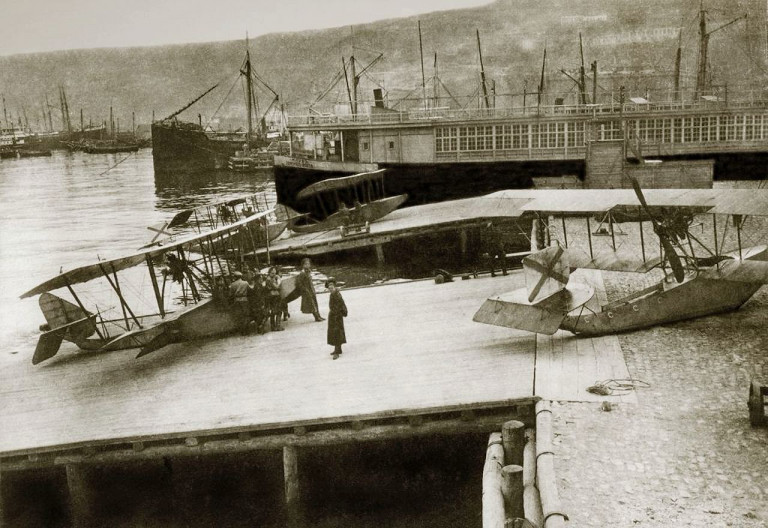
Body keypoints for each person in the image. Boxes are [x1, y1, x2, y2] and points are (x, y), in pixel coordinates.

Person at [325, 278, 347, 360]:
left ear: (334, 287)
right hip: (334, 315)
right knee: (335, 332)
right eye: (329, 288)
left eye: (331, 287)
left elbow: (339, 306)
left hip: (336, 316)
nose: (330, 289)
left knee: (336, 333)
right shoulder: (334, 293)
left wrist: (335, 314)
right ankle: (338, 349)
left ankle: (337, 352)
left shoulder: (336, 294)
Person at [265, 267, 284, 331]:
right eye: (272, 273)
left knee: (274, 311)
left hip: (272, 296)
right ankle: (277, 326)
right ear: (269, 273)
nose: (274, 274)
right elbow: (277, 287)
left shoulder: (270, 278)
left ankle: (274, 327)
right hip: (274, 296)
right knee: (277, 311)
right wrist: (279, 280)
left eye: (275, 273)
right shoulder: (269, 279)